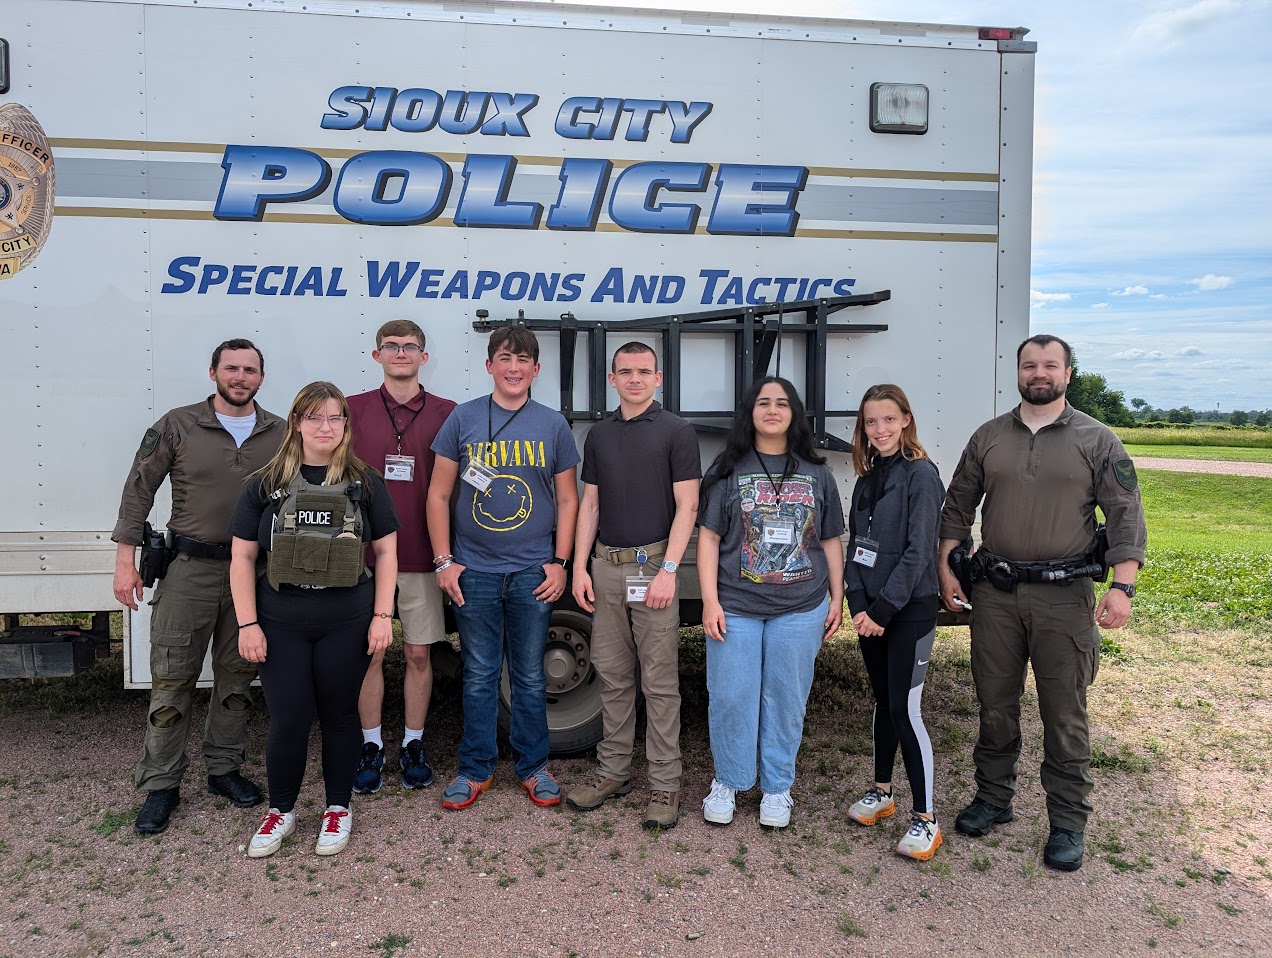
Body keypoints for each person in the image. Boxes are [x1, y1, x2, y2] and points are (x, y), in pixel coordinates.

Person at [938, 335, 1146, 872]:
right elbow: (957, 505)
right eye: (1029, 364)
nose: (1039, 373)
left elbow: (1125, 514)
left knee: (1064, 712)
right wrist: (946, 564)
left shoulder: (1097, 439)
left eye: (1050, 365)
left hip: (1065, 598)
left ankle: (1068, 822)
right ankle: (993, 798)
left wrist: (1122, 586)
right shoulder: (989, 436)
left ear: (1067, 373)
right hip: (996, 594)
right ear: (1018, 371)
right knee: (995, 705)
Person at [112, 339, 282, 836]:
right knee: (172, 679)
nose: (240, 377)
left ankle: (223, 769)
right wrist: (125, 563)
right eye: (231, 368)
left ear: (261, 378)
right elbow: (138, 490)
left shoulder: (280, 432)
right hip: (190, 570)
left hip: (253, 573)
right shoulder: (178, 424)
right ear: (213, 373)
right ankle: (161, 783)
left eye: (249, 370)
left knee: (238, 677)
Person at [227, 382, 400, 858]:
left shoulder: (365, 483)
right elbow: (242, 557)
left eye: (334, 417)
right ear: (297, 423)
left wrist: (382, 616)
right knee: (289, 718)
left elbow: (386, 553)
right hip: (280, 622)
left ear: (345, 424)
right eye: (314, 417)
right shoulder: (265, 483)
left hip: (347, 620)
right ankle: (281, 810)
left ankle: (338, 807)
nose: (325, 427)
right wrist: (248, 624)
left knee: (340, 717)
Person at [426, 325, 580, 811]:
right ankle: (475, 770)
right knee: (479, 673)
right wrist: (444, 561)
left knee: (530, 675)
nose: (514, 368)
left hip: (533, 571)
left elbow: (568, 499)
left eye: (523, 360)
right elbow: (438, 494)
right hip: (474, 571)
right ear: (489, 365)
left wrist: (560, 563)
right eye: (505, 359)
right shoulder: (463, 418)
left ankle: (533, 768)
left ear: (536, 369)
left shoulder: (553, 425)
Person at [697, 376, 845, 830]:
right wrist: (709, 602)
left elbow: (830, 538)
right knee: (730, 696)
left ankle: (778, 787)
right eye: (763, 403)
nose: (773, 410)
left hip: (800, 607)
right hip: (736, 605)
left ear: (794, 413)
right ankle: (729, 780)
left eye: (782, 403)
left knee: (785, 699)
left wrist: (837, 595)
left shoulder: (817, 472)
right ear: (750, 413)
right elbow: (709, 539)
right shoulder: (728, 469)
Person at [567, 342, 701, 829]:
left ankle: (665, 784)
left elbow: (688, 506)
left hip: (654, 566)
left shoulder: (677, 431)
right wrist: (579, 567)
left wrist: (669, 570)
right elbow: (590, 504)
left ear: (658, 377)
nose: (635, 379)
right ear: (612, 379)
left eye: (644, 371)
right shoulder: (599, 435)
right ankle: (613, 772)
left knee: (659, 682)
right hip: (606, 567)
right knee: (613, 675)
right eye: (625, 372)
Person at [347, 320, 458, 796]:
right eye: (390, 346)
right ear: (377, 356)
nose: (400, 353)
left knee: (417, 652)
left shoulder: (449, 413)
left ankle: (413, 743)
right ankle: (371, 745)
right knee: (369, 653)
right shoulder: (349, 410)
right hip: (362, 558)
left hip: (421, 555)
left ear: (423, 357)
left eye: (409, 346)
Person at [842, 384, 945, 860]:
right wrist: (857, 604)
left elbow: (919, 551)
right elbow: (855, 547)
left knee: (906, 710)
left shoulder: (921, 474)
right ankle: (882, 792)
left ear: (906, 419)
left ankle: (926, 819)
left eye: (888, 419)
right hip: (871, 614)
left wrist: (882, 611)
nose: (880, 429)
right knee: (883, 703)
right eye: (871, 422)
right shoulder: (867, 479)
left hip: (908, 611)